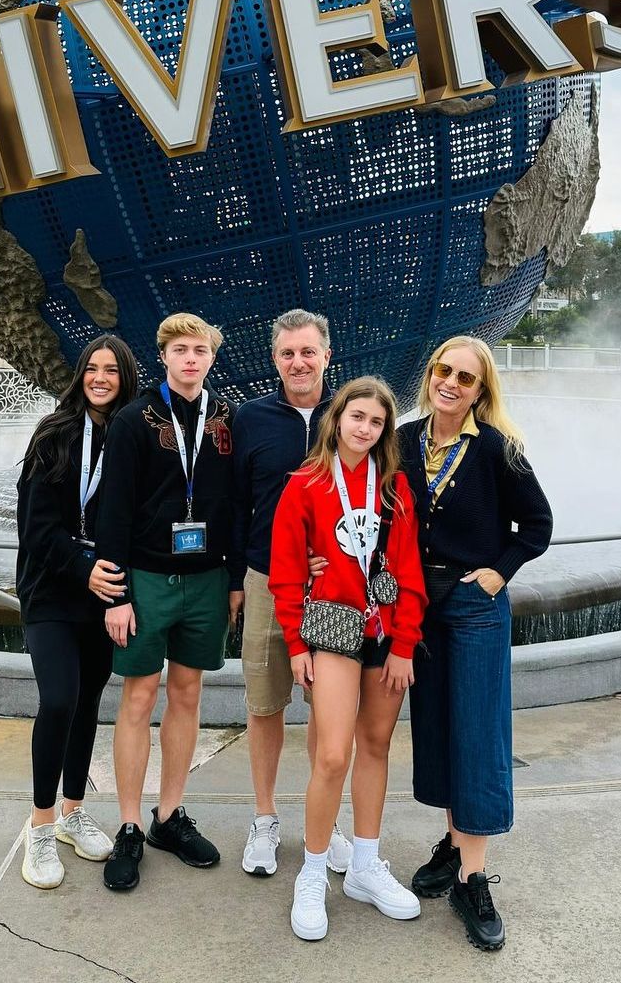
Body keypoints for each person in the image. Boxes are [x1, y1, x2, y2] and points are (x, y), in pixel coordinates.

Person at [398, 336, 553, 952]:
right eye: (444, 370)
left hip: (472, 606)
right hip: (418, 604)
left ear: (481, 390)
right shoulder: (404, 440)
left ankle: (474, 877)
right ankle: (454, 840)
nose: (452, 383)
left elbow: (537, 524)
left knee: (480, 731)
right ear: (430, 375)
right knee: (436, 726)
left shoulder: (496, 448)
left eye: (467, 377)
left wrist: (499, 570)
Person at [269, 377, 427, 942]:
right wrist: (293, 644)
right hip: (333, 628)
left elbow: (409, 571)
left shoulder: (395, 489)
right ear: (337, 419)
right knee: (333, 754)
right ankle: (313, 872)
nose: (365, 428)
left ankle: (364, 865)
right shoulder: (305, 485)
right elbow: (286, 573)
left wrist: (406, 643)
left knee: (377, 745)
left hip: (385, 630)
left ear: (385, 430)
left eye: (377, 422)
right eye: (357, 416)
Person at [91, 312, 241, 892]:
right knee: (139, 695)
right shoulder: (133, 420)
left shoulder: (225, 418)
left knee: (187, 691)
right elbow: (114, 509)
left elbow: (233, 502)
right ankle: (129, 822)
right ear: (164, 357)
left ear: (211, 357)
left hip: (205, 576)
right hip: (148, 576)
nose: (190, 359)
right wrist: (117, 593)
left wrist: (232, 580)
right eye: (180, 349)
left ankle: (169, 814)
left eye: (200, 350)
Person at [230, 309, 352, 878]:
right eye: (287, 354)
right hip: (263, 580)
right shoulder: (250, 419)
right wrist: (234, 579)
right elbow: (234, 506)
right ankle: (264, 818)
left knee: (327, 715)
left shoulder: (352, 415)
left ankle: (321, 823)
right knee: (265, 704)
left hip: (334, 589)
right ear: (273, 359)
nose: (298, 363)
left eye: (308, 352)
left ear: (327, 354)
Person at [15, 334, 139, 889]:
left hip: (103, 592)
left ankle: (72, 811)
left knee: (88, 702)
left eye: (112, 370)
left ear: (125, 377)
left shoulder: (134, 437)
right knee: (59, 698)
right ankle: (39, 827)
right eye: (93, 368)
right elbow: (36, 527)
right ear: (80, 374)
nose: (101, 378)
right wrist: (80, 566)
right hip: (53, 591)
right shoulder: (55, 435)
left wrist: (115, 585)